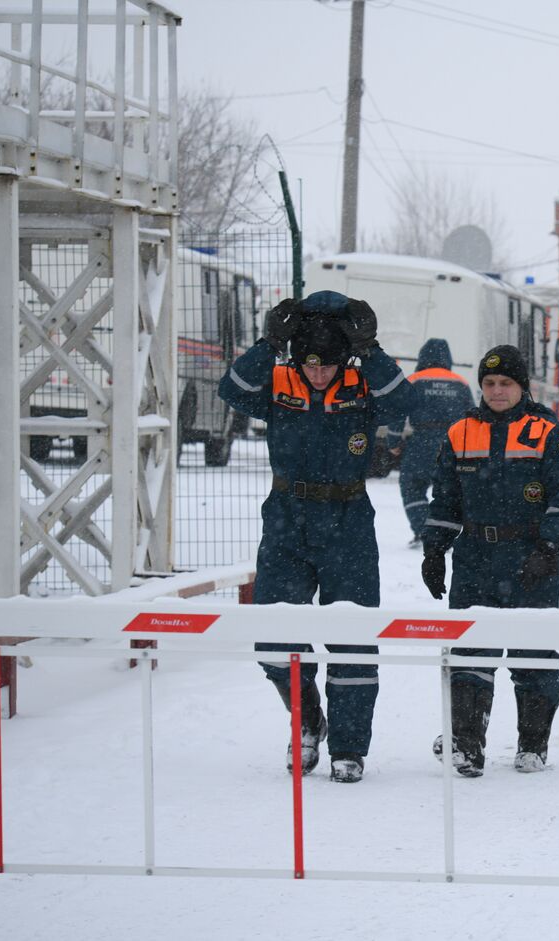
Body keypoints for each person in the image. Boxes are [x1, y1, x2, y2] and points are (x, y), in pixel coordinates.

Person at [219, 291, 417, 783]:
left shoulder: (359, 383)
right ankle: (307, 720)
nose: (319, 373)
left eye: (329, 364)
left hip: (347, 518)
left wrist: (370, 351)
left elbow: (403, 403)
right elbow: (232, 390)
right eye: (310, 363)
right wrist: (269, 344)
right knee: (272, 638)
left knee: (351, 639)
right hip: (287, 515)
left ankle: (349, 748)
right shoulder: (280, 378)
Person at [421, 345, 559, 776]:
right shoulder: (459, 432)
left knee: (532, 652)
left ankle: (533, 744)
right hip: (475, 554)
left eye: (505, 384)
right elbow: (446, 497)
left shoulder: (550, 432)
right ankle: (467, 743)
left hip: (531, 554)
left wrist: (548, 545)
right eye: (489, 384)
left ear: (522, 386)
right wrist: (435, 549)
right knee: (470, 649)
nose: (496, 391)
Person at [397, 338, 474, 546]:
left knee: (412, 485)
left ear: (423, 357)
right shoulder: (461, 383)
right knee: (448, 491)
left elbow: (398, 413)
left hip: (421, 441)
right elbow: (473, 418)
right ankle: (444, 534)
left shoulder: (414, 380)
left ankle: (423, 531)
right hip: (452, 443)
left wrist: (393, 441)